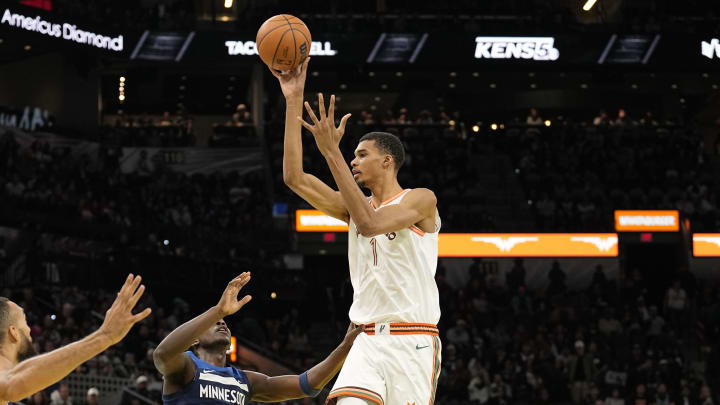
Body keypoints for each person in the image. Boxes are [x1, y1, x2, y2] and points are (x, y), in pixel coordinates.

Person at [273, 58, 442, 405]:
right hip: (364, 339)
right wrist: (293, 98)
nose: (353, 160)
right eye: (351, 155)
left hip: (413, 339)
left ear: (387, 160)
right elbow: (294, 177)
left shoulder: (422, 200)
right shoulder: (354, 208)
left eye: (361, 154)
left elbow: (370, 224)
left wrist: (331, 151)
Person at [153, 273, 363, 405]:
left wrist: (345, 347)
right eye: (214, 323)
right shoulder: (186, 366)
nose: (222, 323)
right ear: (194, 340)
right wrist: (218, 311)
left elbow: (307, 385)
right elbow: (162, 354)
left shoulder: (244, 380)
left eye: (224, 321)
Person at [0, 275, 151, 405]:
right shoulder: (7, 382)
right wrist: (104, 336)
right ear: (13, 332)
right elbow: (11, 383)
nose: (29, 329)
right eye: (25, 322)